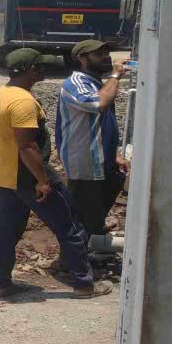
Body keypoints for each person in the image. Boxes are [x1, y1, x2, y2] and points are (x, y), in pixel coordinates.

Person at [0, 48, 113, 298]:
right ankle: (84, 284)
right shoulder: (23, 102)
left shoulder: (2, 94)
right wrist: (43, 181)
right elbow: (27, 146)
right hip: (29, 175)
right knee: (70, 226)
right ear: (29, 70)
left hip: (5, 175)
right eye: (39, 66)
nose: (43, 70)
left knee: (6, 229)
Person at [56, 40, 128, 238]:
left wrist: (115, 153)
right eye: (98, 54)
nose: (106, 57)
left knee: (100, 204)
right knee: (80, 214)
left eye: (106, 52)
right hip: (85, 162)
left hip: (102, 158)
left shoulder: (96, 83)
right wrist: (115, 76)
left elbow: (104, 124)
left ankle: (93, 240)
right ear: (82, 58)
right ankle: (73, 262)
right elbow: (99, 104)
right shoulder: (76, 83)